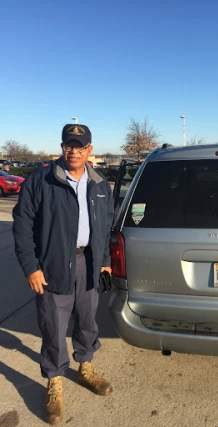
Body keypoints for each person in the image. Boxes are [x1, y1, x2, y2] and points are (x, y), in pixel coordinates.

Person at [12, 124, 114, 425]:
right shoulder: (42, 180)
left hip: (89, 262)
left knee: (87, 319)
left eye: (80, 146)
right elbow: (22, 226)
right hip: (53, 265)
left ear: (89, 150)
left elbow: (106, 225)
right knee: (53, 326)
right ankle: (54, 382)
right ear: (62, 148)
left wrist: (105, 261)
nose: (74, 151)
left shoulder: (99, 183)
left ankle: (85, 368)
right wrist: (31, 266)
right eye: (69, 145)